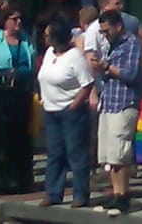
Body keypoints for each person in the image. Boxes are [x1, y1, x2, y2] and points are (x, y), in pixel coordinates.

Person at [38, 17, 93, 209]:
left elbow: (87, 84)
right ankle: (53, 193)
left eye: (47, 35)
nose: (44, 38)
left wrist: (75, 105)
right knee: (54, 154)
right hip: (50, 111)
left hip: (71, 112)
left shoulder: (75, 57)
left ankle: (81, 194)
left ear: (56, 37)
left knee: (75, 153)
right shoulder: (48, 53)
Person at [95, 10, 142, 215]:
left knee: (120, 152)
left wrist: (107, 67)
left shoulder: (132, 44)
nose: (105, 35)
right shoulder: (111, 45)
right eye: (102, 32)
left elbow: (131, 74)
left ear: (118, 26)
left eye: (107, 31)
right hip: (109, 102)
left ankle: (123, 196)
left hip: (124, 103)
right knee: (109, 154)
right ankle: (115, 194)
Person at [0, 3, 36, 79]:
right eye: (14, 19)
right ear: (5, 20)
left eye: (20, 18)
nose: (19, 21)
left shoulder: (27, 39)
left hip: (23, 85)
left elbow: (33, 66)